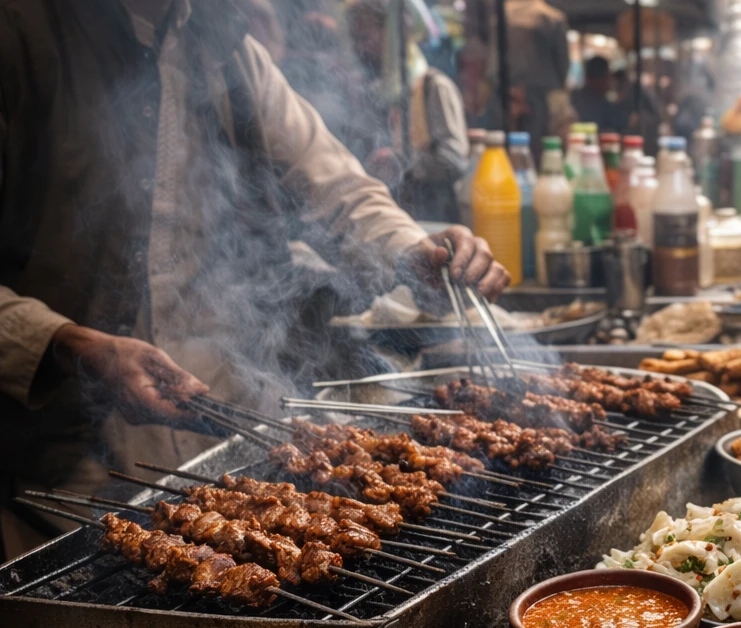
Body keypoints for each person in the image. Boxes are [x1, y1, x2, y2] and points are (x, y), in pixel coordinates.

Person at [0, 0, 509, 560]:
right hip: (57, 455)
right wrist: (71, 342)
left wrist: (412, 249)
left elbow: (334, 181)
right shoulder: (22, 33)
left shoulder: (223, 42)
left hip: (206, 417)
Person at [345, 0, 469, 224]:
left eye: (364, 38)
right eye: (354, 40)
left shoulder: (433, 88)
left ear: (391, 35)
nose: (358, 48)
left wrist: (401, 161)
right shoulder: (377, 93)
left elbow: (454, 160)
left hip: (434, 221)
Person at [497, 0, 571, 143]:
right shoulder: (551, 16)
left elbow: (494, 58)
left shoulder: (501, 15)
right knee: (543, 143)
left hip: (508, 91)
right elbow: (563, 62)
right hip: (541, 92)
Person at [571, 56, 628, 136]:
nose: (610, 81)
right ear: (601, 78)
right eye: (608, 76)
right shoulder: (600, 104)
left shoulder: (574, 96)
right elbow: (620, 122)